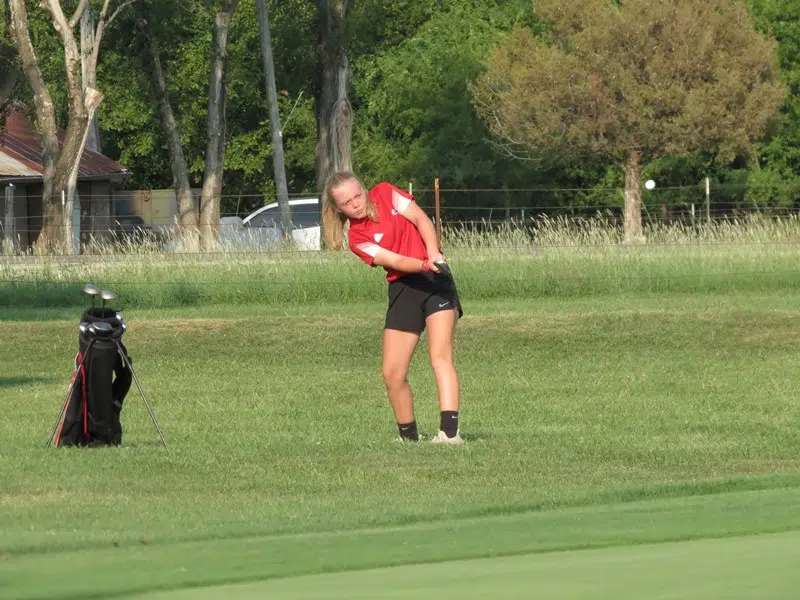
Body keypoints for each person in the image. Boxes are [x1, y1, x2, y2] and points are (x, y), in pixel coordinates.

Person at [322, 171, 464, 444]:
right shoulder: (357, 239)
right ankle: (409, 437)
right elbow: (395, 261)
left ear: (364, 189)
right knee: (392, 373)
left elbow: (422, 219)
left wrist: (433, 253)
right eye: (347, 202)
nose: (356, 203)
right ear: (338, 209)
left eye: (357, 195)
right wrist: (422, 264)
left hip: (436, 281)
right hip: (404, 287)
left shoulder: (386, 193)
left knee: (440, 357)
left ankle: (449, 434)